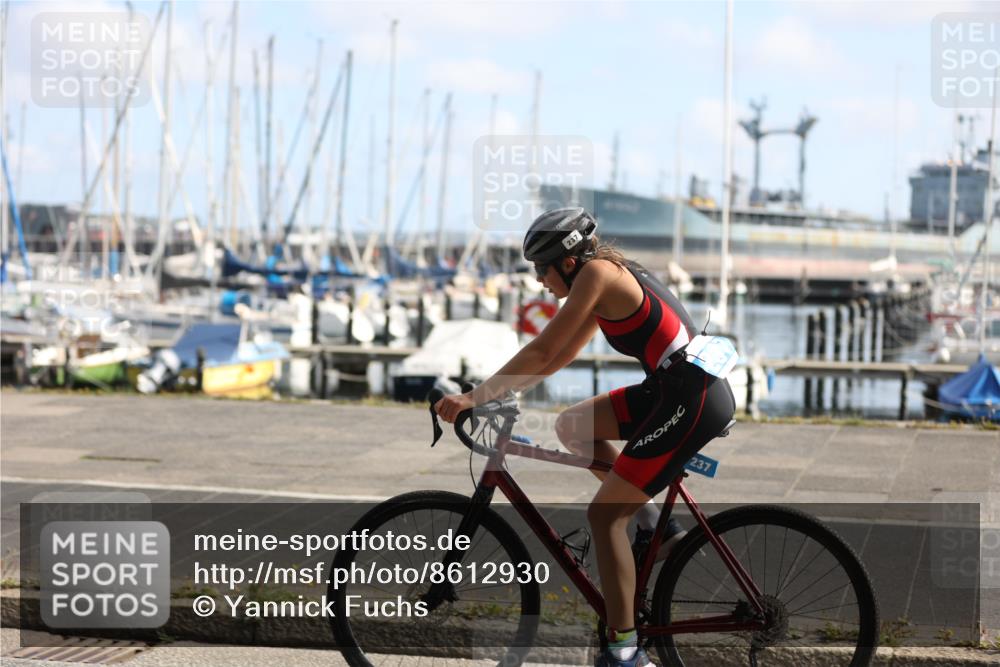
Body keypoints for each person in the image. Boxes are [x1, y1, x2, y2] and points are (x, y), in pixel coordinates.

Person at [434, 207, 736, 667]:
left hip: (688, 399)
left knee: (604, 516)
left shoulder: (598, 273)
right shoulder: (603, 277)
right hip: (672, 390)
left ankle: (625, 652)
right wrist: (502, 394)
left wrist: (476, 396)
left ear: (568, 262)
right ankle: (659, 528)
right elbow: (556, 359)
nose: (539, 280)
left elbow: (543, 347)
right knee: (572, 426)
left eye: (541, 268)